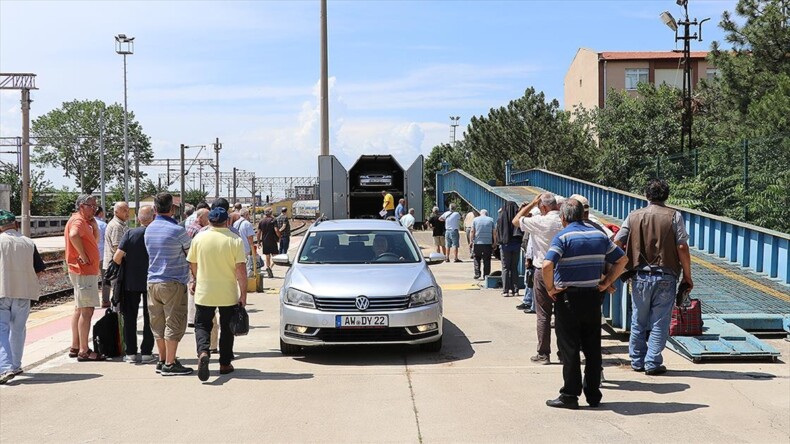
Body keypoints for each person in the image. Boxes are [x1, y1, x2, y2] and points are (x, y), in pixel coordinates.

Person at [542, 198, 627, 409]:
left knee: (569, 348)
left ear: (563, 217)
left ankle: (570, 395)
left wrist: (551, 288)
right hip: (592, 297)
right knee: (592, 348)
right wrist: (607, 281)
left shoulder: (562, 237)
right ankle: (593, 394)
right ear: (582, 215)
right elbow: (622, 260)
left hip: (569, 299)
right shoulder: (599, 235)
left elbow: (547, 265)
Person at [614, 179, 693, 375]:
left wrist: (618, 268)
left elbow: (618, 241)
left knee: (638, 320)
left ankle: (637, 360)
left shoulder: (633, 216)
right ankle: (652, 362)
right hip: (666, 275)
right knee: (660, 321)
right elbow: (682, 246)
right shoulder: (675, 216)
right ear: (666, 196)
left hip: (639, 275)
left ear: (646, 195)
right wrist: (688, 277)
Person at [188, 207, 247, 381]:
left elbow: (192, 263)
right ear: (226, 221)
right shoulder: (235, 240)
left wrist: (196, 280)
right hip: (227, 292)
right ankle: (225, 363)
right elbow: (241, 271)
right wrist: (243, 294)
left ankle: (203, 352)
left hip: (204, 291)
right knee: (227, 329)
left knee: (202, 325)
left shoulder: (199, 238)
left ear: (209, 221)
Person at [144, 193, 193, 376]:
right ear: (172, 209)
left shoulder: (149, 229)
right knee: (174, 322)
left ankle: (163, 359)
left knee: (158, 323)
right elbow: (191, 254)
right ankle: (170, 364)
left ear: (155, 209)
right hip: (173, 282)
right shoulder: (178, 230)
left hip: (152, 282)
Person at [512, 192, 563, 364]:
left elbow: (516, 220)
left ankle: (543, 353)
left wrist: (532, 203)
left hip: (543, 269)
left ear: (543, 206)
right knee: (563, 315)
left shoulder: (540, 221)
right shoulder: (565, 220)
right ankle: (564, 352)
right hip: (563, 271)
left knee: (543, 314)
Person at [0, 209, 45, 384]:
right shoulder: (28, 243)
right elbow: (39, 271)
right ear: (16, 225)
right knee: (18, 330)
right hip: (24, 294)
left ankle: (4, 368)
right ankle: (16, 365)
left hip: (2, 292)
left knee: (1, 330)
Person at [112, 205, 156, 365]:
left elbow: (117, 257)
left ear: (138, 218)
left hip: (131, 282)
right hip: (151, 281)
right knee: (150, 317)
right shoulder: (156, 234)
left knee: (129, 317)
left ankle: (130, 353)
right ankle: (146, 352)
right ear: (154, 217)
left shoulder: (130, 233)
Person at [65, 194, 105, 361]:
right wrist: (83, 254)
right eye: (91, 206)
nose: (94, 209)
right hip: (84, 271)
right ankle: (84, 350)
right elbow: (74, 235)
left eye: (95, 206)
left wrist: (94, 225)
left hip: (82, 270)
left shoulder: (84, 221)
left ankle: (75, 346)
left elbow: (94, 241)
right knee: (87, 310)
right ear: (82, 206)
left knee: (80, 309)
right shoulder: (78, 221)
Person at [103, 201, 129, 309]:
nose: (127, 213)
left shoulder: (119, 224)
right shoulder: (117, 226)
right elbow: (117, 248)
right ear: (116, 212)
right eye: (124, 211)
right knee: (118, 297)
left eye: (127, 210)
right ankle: (118, 323)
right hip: (116, 267)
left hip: (114, 265)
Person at [496, 201, 524, 296]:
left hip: (505, 245)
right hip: (516, 245)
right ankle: (515, 290)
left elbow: (497, 232)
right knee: (514, 268)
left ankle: (505, 290)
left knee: (505, 268)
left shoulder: (501, 217)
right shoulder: (517, 218)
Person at [470, 209, 495, 281]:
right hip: (488, 243)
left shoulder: (475, 220)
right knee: (487, 259)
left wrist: (471, 241)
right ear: (486, 214)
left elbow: (472, 231)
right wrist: (495, 242)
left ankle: (477, 273)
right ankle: (486, 275)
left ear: (480, 214)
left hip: (478, 242)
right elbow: (494, 232)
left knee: (476, 257)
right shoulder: (491, 220)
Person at [257, 207, 280, 279]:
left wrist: (258, 241)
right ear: (271, 213)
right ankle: (270, 267)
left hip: (265, 241)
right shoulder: (273, 220)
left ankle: (268, 267)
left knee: (267, 256)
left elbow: (258, 232)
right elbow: (276, 230)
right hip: (272, 240)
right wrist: (279, 236)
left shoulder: (261, 221)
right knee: (276, 257)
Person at [234, 208, 257, 277]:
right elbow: (250, 239)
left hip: (236, 247)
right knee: (246, 267)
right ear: (246, 215)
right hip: (245, 249)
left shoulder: (235, 223)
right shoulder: (247, 224)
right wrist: (252, 250)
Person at [95, 206, 109, 308]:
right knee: (105, 279)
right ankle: (105, 301)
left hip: (90, 256)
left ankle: (92, 301)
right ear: (100, 213)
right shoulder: (103, 225)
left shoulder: (87, 224)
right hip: (102, 255)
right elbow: (107, 241)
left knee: (91, 279)